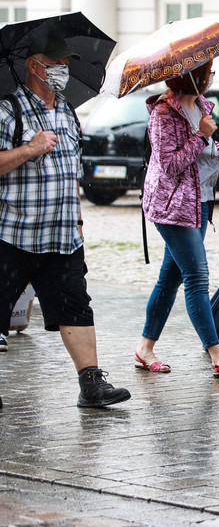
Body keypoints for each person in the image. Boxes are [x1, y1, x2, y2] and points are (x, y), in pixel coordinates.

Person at [0, 33, 130, 407]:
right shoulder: (10, 109)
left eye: (66, 64)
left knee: (76, 305)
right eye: (55, 63)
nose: (63, 70)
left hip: (62, 234)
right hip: (14, 233)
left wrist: (78, 218)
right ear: (34, 65)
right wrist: (29, 148)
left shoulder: (67, 110)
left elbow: (70, 170)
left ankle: (91, 384)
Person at [136, 60, 219, 377]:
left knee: (169, 279)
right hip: (172, 207)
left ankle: (145, 348)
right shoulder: (162, 114)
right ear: (192, 76)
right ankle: (217, 354)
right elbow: (170, 165)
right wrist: (201, 136)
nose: (210, 78)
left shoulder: (200, 105)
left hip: (200, 202)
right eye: (206, 73)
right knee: (197, 278)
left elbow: (205, 145)